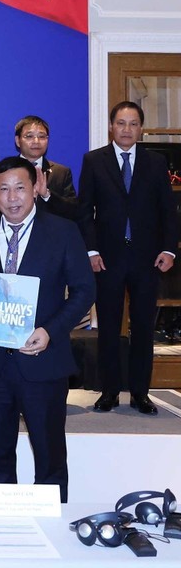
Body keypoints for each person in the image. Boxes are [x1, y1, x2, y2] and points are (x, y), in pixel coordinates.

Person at [0, 156, 94, 502]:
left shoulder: (63, 232)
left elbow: (84, 291)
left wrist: (51, 331)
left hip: (43, 363)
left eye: (20, 188)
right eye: (3, 189)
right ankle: (1, 527)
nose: (12, 197)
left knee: (50, 457)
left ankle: (52, 531)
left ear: (35, 188)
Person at [79, 101, 178, 414]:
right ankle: (109, 391)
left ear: (141, 129)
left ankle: (140, 393)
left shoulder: (155, 162)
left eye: (133, 124)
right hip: (107, 258)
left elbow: (168, 210)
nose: (126, 129)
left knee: (144, 328)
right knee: (108, 328)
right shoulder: (94, 160)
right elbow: (85, 211)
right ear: (111, 126)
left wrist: (169, 249)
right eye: (121, 123)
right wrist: (91, 251)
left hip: (147, 259)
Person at [14, 115, 79, 220]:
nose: (36, 141)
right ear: (18, 140)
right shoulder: (5, 171)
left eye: (42, 137)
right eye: (29, 136)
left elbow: (73, 211)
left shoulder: (61, 173)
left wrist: (47, 195)